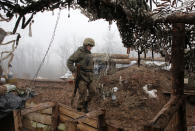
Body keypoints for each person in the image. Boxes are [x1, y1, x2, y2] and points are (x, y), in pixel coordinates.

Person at [67, 38, 95, 113]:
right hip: (81, 77)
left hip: (90, 77)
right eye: (89, 45)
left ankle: (85, 105)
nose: (90, 47)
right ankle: (79, 109)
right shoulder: (79, 52)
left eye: (91, 46)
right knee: (83, 93)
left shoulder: (89, 53)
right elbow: (69, 61)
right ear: (85, 45)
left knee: (93, 92)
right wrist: (73, 70)